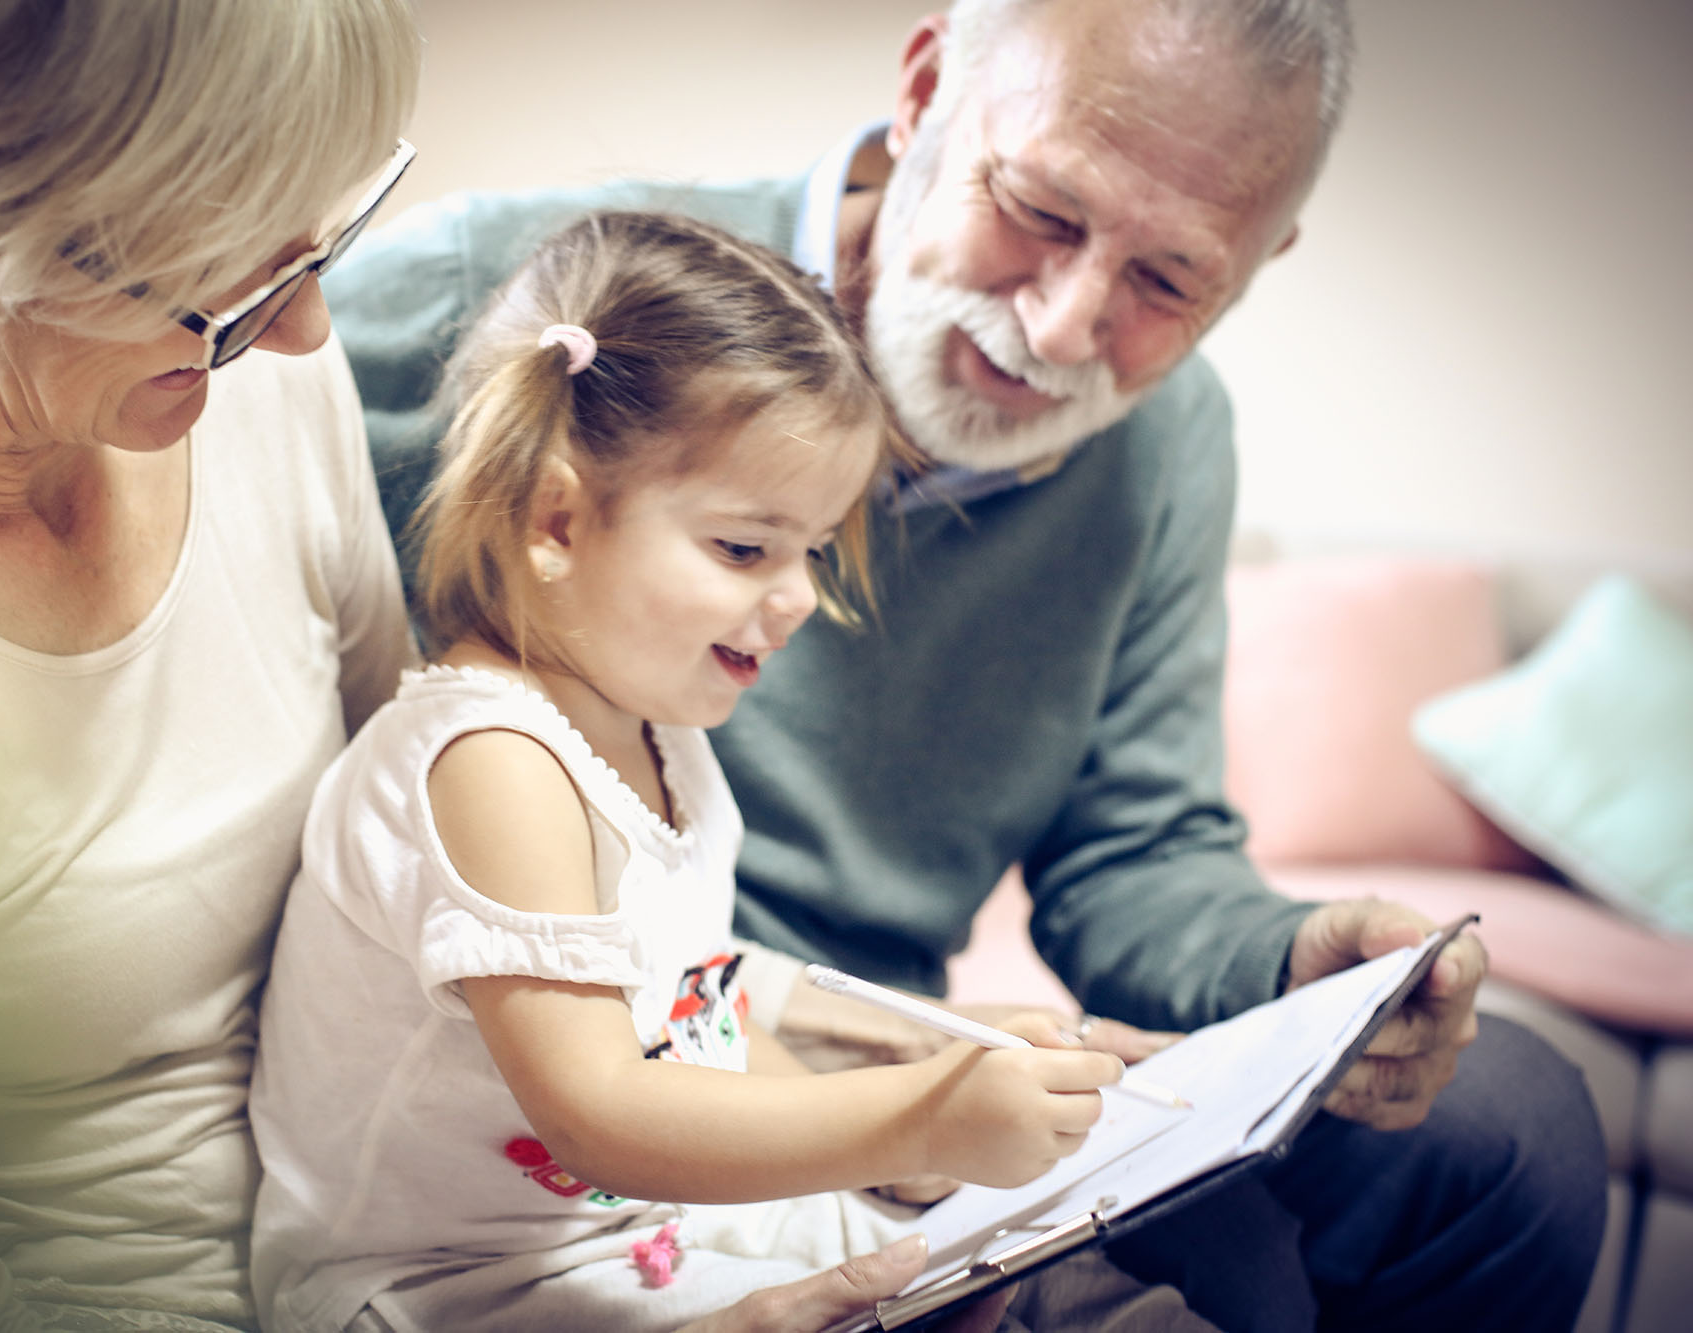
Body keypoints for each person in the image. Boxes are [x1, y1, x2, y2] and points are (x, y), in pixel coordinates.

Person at [0, 5, 1102, 1332]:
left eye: (317, 249)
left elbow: (505, 918)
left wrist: (911, 1048)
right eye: (223, 288)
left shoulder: (253, 387)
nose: (308, 334)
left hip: (523, 1238)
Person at [325, 1, 1609, 1329]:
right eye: (1044, 211)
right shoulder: (549, 305)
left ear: (1260, 264)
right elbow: (154, 368)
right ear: (927, 87)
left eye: (1169, 280)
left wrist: (1293, 963)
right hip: (604, 1102)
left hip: (806, 1050)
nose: (1063, 327)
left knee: (1508, 1126)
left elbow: (1136, 854)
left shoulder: (1165, 450)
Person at [247, 208, 1216, 1333]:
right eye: (745, 548)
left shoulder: (654, 734)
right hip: (455, 1291)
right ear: (557, 515)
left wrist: (890, 1140)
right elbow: (596, 1113)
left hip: (639, 1235)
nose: (799, 596)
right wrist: (913, 1119)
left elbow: (692, 1012)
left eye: (809, 549)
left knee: (1068, 1283)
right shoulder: (490, 762)